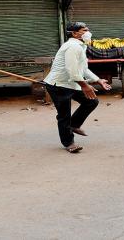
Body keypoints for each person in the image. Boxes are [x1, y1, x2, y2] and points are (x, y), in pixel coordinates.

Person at [44, 22, 112, 153]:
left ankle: (74, 124)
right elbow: (72, 70)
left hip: (71, 83)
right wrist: (85, 86)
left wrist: (98, 80)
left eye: (88, 29)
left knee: (91, 102)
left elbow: (83, 69)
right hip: (58, 85)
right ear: (75, 34)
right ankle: (69, 143)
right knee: (64, 114)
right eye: (84, 30)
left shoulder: (80, 46)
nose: (88, 32)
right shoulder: (72, 47)